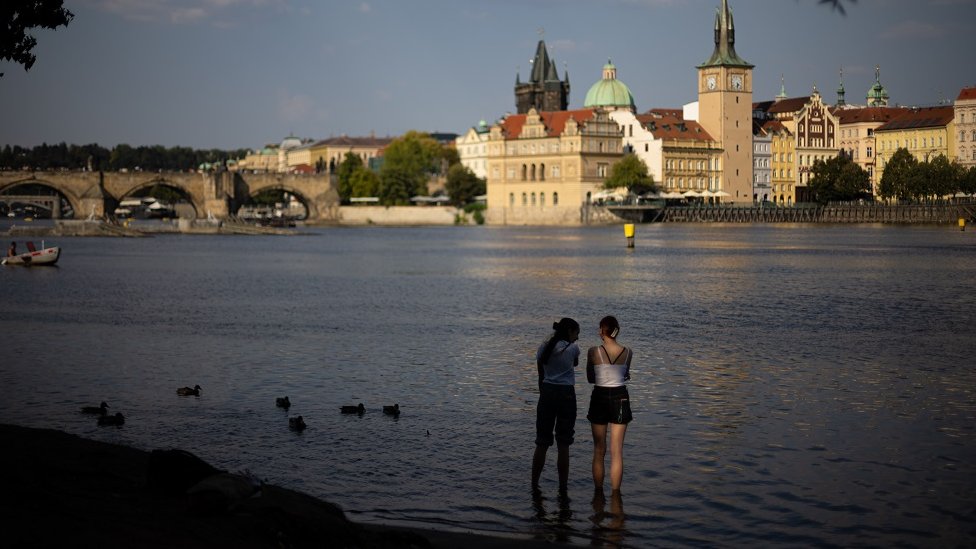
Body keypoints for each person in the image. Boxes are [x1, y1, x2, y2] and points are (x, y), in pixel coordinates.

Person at [532, 317, 580, 495]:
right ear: (569, 332)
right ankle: (563, 488)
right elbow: (574, 363)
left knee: (542, 442)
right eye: (576, 333)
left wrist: (543, 389)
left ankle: (534, 485)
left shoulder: (543, 347)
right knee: (564, 444)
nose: (577, 338)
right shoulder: (573, 348)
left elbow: (540, 372)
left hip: (547, 392)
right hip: (566, 394)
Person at [586, 315, 633, 494]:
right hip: (620, 397)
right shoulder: (628, 352)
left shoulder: (593, 351)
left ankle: (598, 494)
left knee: (599, 450)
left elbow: (591, 379)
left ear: (601, 331)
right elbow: (625, 374)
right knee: (617, 451)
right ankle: (615, 496)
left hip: (599, 396)